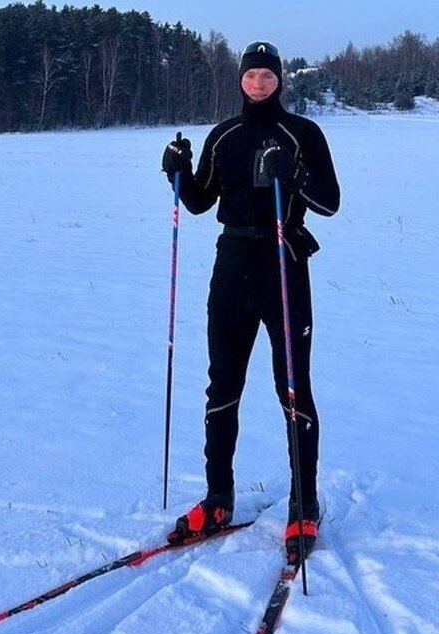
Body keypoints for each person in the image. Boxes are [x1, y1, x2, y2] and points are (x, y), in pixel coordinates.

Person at [160, 40, 340, 562]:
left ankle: (304, 504)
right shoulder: (225, 136)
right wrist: (176, 170)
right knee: (223, 383)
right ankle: (218, 498)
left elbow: (330, 202)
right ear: (239, 80)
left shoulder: (302, 133)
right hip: (233, 263)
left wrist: (294, 174)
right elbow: (198, 201)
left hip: (284, 263)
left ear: (280, 80)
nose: (258, 84)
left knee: (292, 386)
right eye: (251, 76)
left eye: (267, 76)